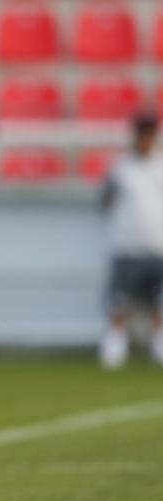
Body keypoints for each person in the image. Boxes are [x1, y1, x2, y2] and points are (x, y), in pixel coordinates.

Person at [98, 113, 163, 368]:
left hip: (158, 248)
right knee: (119, 303)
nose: (145, 139)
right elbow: (105, 203)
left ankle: (158, 345)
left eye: (150, 134)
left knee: (159, 304)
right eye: (142, 134)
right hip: (126, 247)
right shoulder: (120, 167)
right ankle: (114, 348)